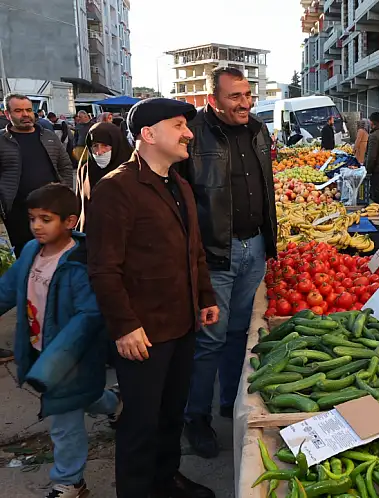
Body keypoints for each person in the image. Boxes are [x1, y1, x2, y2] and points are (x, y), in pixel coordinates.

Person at [86, 98, 219, 498]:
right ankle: (139, 489)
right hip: (143, 331)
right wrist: (124, 326)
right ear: (149, 134)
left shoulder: (178, 184)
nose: (189, 133)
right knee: (140, 424)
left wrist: (205, 295)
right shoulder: (117, 189)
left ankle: (167, 479)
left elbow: (193, 249)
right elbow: (103, 268)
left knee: (170, 414)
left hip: (181, 324)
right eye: (179, 125)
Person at [178, 67, 277, 458]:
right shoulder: (194, 133)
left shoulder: (257, 130)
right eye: (235, 96)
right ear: (213, 99)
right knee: (210, 340)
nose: (245, 102)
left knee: (239, 332)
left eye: (248, 94)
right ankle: (195, 417)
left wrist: (270, 240)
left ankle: (230, 400)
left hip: (254, 246)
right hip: (217, 251)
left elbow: (265, 187)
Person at [0, 183, 119, 498]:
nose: (37, 226)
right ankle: (116, 403)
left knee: (64, 424)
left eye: (46, 219)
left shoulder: (80, 264)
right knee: (87, 398)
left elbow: (87, 317)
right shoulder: (29, 252)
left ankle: (70, 482)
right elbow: (8, 289)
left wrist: (53, 363)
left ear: (69, 222)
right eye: (32, 218)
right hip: (41, 350)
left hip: (71, 358)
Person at [0, 94, 75, 257]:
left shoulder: (48, 136)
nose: (25, 114)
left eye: (28, 110)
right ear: (7, 114)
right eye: (18, 110)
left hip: (53, 210)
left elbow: (65, 166)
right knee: (26, 257)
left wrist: (66, 194)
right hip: (17, 214)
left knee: (58, 255)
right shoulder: (2, 140)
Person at [75, 122, 134, 231]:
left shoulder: (133, 172)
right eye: (94, 146)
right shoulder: (85, 170)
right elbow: (80, 205)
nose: (99, 152)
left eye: (105, 146)